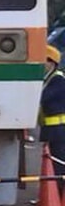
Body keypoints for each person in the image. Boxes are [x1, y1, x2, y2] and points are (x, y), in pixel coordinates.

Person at [40, 45, 65, 196]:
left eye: (43, 61)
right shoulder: (48, 79)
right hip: (52, 129)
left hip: (59, 130)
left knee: (58, 164)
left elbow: (43, 98)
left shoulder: (58, 80)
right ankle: (51, 196)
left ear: (51, 62)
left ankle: (60, 196)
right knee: (51, 164)